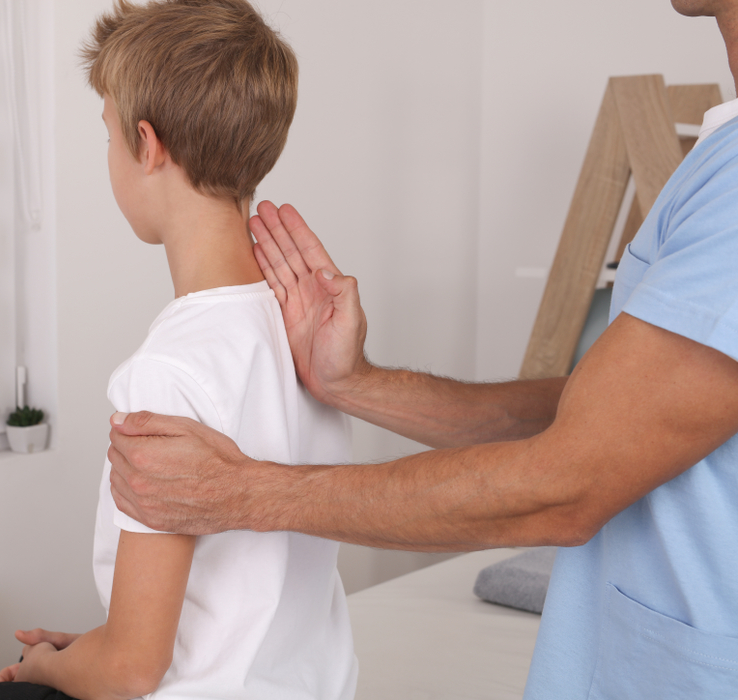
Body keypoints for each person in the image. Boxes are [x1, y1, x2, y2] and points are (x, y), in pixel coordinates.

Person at [106, 1, 738, 697]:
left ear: (145, 142)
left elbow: (565, 485)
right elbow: (617, 414)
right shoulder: (716, 157)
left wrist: (242, 490)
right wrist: (355, 383)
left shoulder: (166, 369)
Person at [0, 1, 357, 699]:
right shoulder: (308, 337)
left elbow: (132, 670)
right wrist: (94, 647)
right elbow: (238, 606)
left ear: (147, 144)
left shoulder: (168, 373)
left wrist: (49, 667)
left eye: (106, 136)